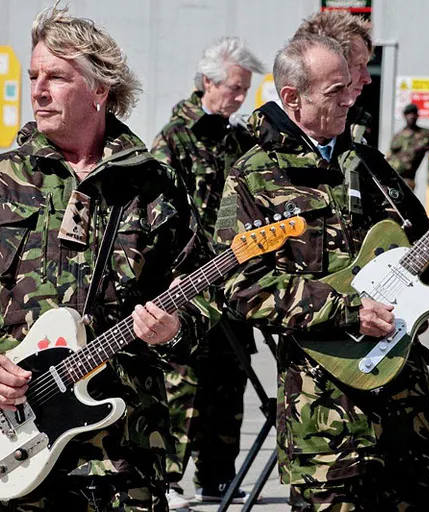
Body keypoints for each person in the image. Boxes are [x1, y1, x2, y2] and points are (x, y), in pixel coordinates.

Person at [0, 6, 208, 511]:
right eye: (34, 76)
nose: (37, 90)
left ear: (100, 89)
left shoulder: (155, 188)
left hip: (125, 452)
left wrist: (176, 331)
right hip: (21, 443)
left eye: (56, 76)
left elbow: (205, 303)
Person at [213, 35, 429, 511]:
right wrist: (347, 311)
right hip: (326, 418)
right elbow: (240, 287)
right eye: (336, 90)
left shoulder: (369, 164)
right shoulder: (253, 177)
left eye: (351, 87)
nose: (352, 96)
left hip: (407, 410)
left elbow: (418, 256)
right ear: (293, 97)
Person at [150, 37, 264, 509]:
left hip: (233, 282)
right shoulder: (173, 138)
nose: (239, 98)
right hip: (187, 284)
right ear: (207, 83)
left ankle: (217, 476)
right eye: (234, 89)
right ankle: (169, 479)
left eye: (244, 91)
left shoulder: (238, 140)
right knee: (182, 383)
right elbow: (156, 216)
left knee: (229, 382)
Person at [294, 10, 374, 144]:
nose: (367, 78)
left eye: (366, 65)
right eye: (359, 65)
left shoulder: (354, 139)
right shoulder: (266, 146)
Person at [387, 103, 429, 189]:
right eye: (409, 114)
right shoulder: (398, 136)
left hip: (408, 178)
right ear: (404, 116)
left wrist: (425, 148)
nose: (412, 116)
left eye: (414, 113)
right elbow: (389, 155)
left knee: (406, 200)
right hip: (391, 176)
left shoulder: (425, 133)